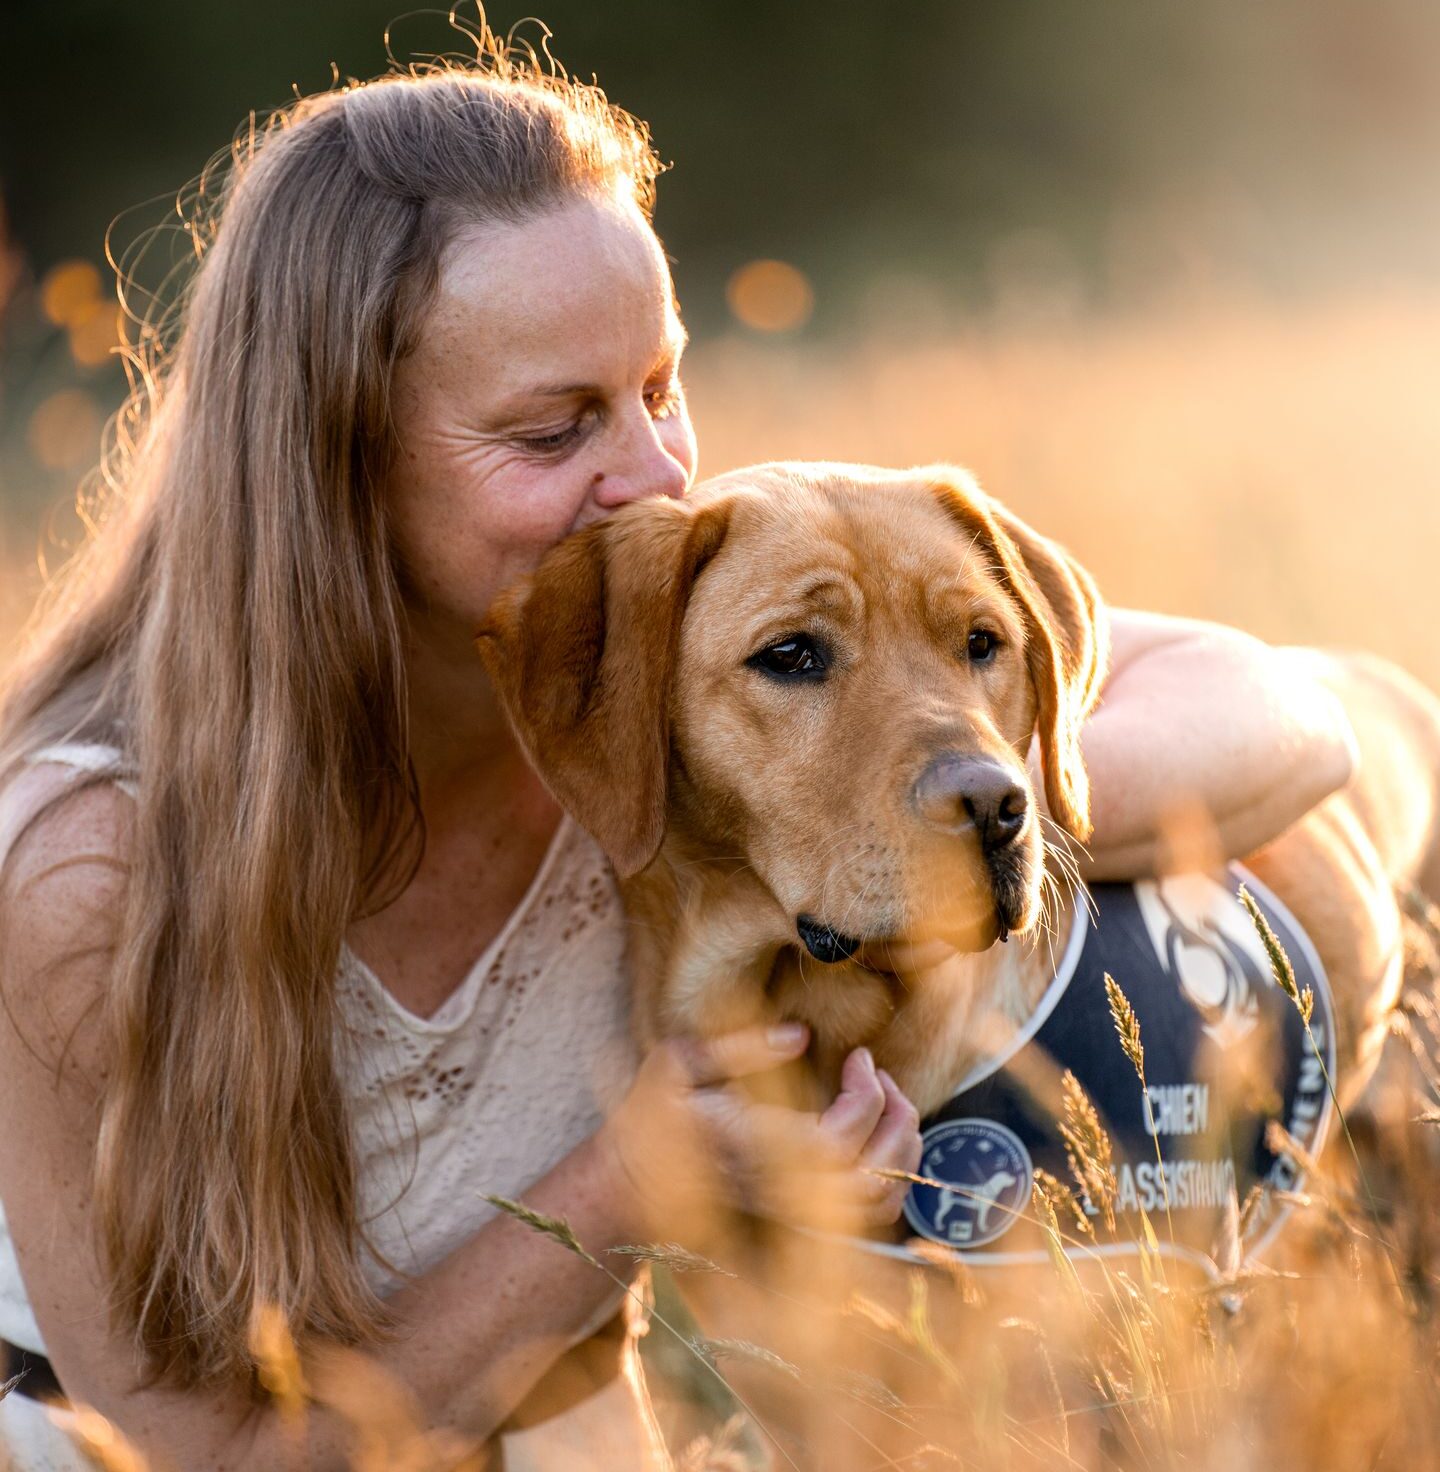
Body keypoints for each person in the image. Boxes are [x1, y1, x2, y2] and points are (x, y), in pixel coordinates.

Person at [0, 35, 1356, 1472]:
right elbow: (191, 1460)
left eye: (660, 386)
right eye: (552, 427)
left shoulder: (675, 667)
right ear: (333, 473)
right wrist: (632, 1184)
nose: (654, 474)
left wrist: (985, 809)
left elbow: (1284, 712)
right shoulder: (86, 870)